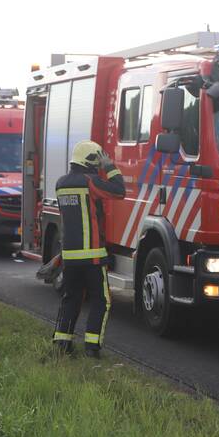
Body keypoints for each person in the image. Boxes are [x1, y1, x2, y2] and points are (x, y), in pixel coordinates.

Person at [52, 140, 126, 358]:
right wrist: (110, 166)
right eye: (97, 162)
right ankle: (92, 348)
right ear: (91, 161)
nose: (98, 166)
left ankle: (62, 343)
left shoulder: (61, 184)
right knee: (101, 300)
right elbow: (119, 191)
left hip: (70, 257)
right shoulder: (90, 182)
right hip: (93, 257)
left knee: (71, 298)